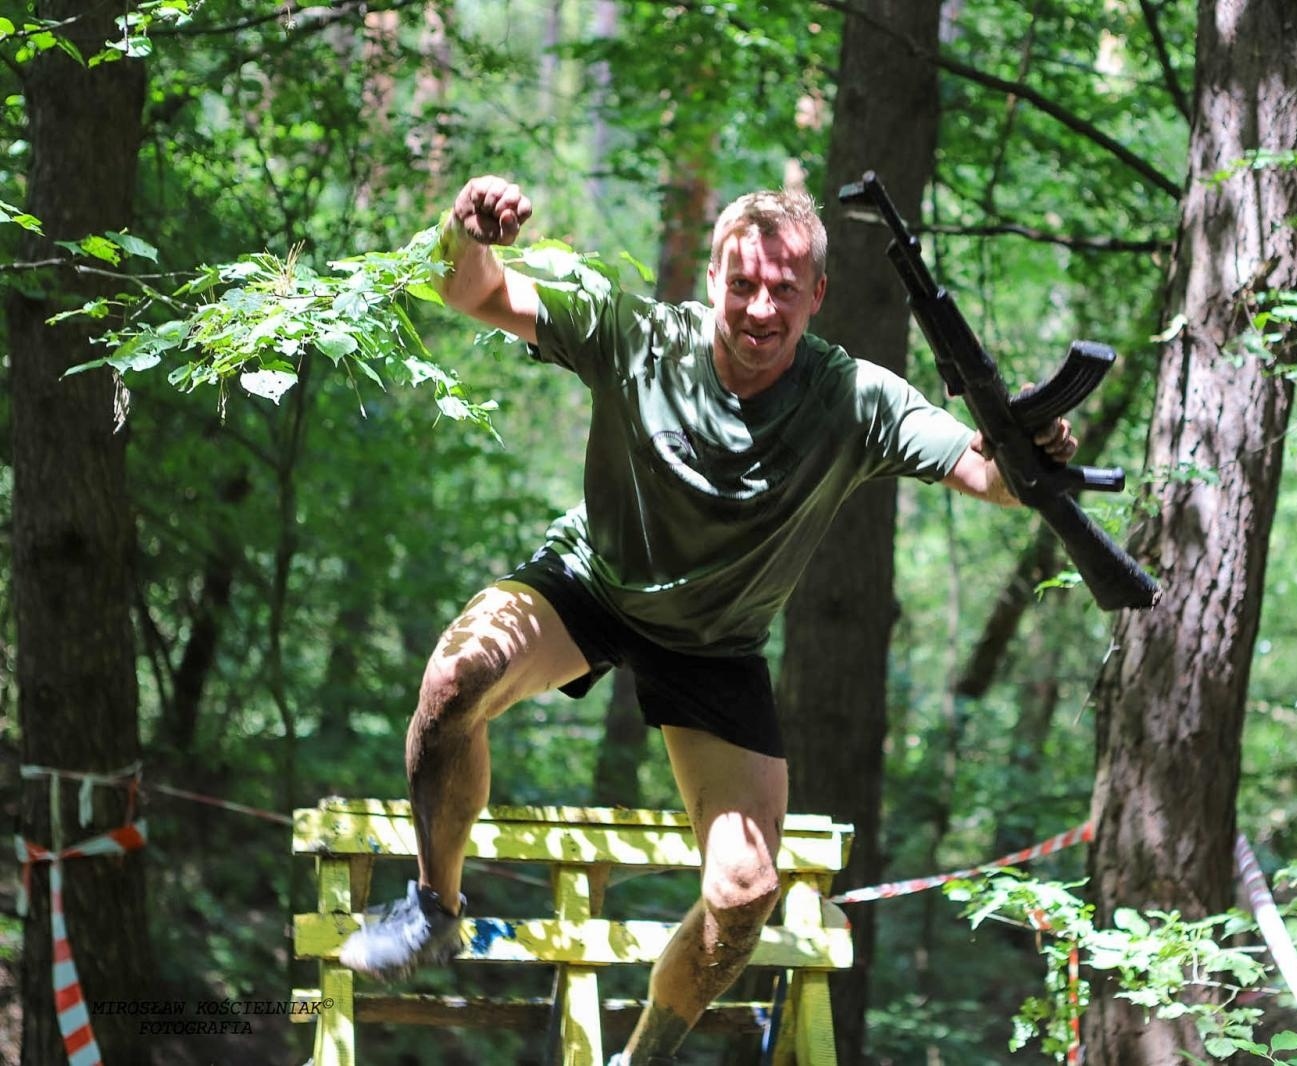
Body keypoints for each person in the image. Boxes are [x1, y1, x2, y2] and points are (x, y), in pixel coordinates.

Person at [338, 175, 1079, 1064]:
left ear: (818, 295)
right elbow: (472, 290)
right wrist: (466, 229)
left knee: (743, 893)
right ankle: (433, 908)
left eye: (782, 288)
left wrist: (1027, 449)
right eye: (742, 284)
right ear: (714, 281)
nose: (760, 308)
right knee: (455, 679)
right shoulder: (641, 337)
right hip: (593, 584)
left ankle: (642, 1057)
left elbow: (984, 474)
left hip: (717, 644)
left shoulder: (855, 398)